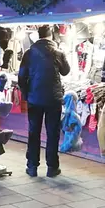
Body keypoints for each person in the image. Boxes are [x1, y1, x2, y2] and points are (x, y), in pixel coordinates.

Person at [18, 25, 71, 178]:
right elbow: (66, 71)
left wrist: (27, 94)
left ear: (38, 36)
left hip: (34, 98)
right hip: (53, 99)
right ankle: (52, 167)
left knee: (34, 132)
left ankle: (32, 166)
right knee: (52, 133)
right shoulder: (58, 51)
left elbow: (21, 77)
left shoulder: (29, 53)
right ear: (50, 36)